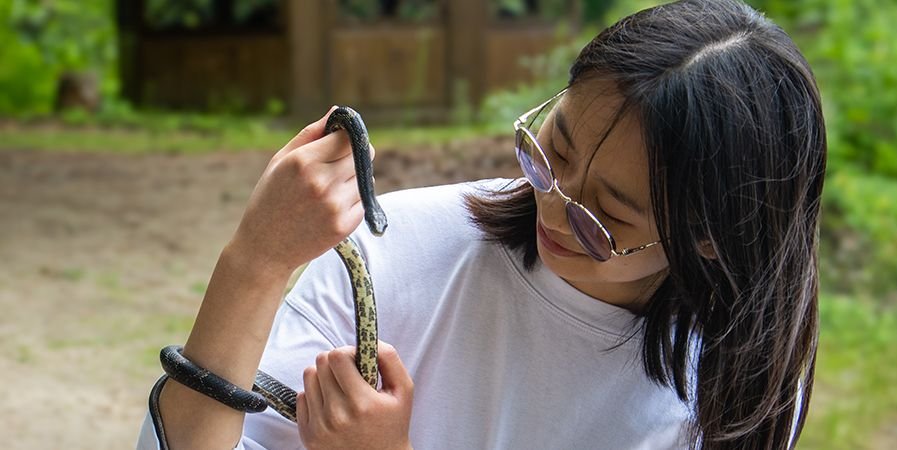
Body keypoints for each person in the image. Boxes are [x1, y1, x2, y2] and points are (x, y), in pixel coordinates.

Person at [137, 0, 825, 448]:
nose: (553, 206)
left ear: (709, 237)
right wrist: (254, 264)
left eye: (604, 218)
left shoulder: (737, 389)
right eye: (549, 153)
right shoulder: (394, 252)